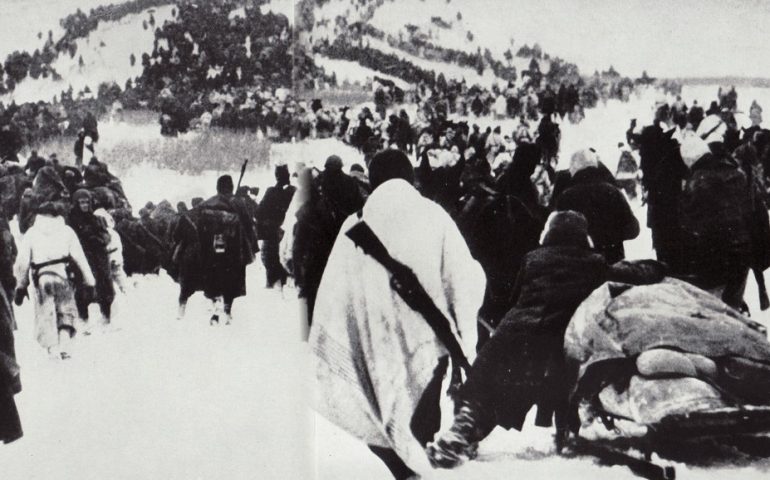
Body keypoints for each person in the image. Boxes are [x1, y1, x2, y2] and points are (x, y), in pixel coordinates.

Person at [426, 211, 665, 468]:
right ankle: (564, 432)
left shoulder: (533, 259)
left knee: (486, 389)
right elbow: (629, 273)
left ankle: (462, 432)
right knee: (538, 388)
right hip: (554, 340)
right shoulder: (593, 262)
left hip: (512, 333)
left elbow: (513, 298)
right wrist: (656, 267)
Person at [310, 149, 485, 478]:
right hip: (428, 344)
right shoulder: (435, 216)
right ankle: (416, 469)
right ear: (410, 178)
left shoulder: (355, 224)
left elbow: (335, 292)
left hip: (373, 341)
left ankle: (404, 472)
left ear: (372, 181)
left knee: (380, 417)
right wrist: (464, 335)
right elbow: (465, 279)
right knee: (421, 419)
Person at [14, 202, 96, 359]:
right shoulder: (67, 231)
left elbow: (22, 263)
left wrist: (21, 285)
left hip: (42, 277)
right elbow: (80, 258)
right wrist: (90, 281)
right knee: (66, 309)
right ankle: (64, 345)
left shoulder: (32, 233)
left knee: (46, 312)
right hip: (62, 275)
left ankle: (52, 349)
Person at [293, 155, 365, 325]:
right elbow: (359, 208)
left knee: (316, 287)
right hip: (343, 236)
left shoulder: (320, 182)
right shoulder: (350, 182)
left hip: (320, 241)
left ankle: (314, 323)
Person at [555, 149, 640, 263]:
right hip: (612, 262)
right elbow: (633, 229)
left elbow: (558, 235)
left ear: (573, 169)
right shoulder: (612, 192)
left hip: (579, 263)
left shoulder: (566, 197)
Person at [194, 175, 257, 324]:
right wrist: (251, 246)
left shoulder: (207, 203)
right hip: (233, 248)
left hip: (211, 249)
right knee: (232, 277)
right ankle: (227, 310)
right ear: (231, 186)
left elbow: (198, 226)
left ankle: (215, 307)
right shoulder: (238, 203)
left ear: (218, 187)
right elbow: (248, 225)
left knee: (213, 276)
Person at [68, 189, 115, 329]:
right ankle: (83, 319)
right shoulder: (71, 220)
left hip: (99, 257)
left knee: (105, 286)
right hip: (82, 257)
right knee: (83, 289)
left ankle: (106, 317)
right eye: (81, 202)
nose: (84, 205)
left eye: (87, 202)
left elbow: (107, 236)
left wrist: (99, 239)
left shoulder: (96, 219)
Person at [257, 165, 296, 289]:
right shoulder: (294, 192)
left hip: (272, 234)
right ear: (288, 176)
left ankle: (272, 285)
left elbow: (258, 213)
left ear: (276, 176)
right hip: (288, 233)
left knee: (270, 262)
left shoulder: (271, 192)